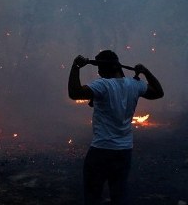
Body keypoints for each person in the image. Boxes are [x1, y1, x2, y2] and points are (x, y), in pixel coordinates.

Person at [68, 50, 164, 205]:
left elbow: (74, 93)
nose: (99, 72)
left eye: (100, 68)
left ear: (108, 68)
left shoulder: (103, 85)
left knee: (92, 197)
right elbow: (159, 92)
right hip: (124, 151)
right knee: (119, 196)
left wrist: (76, 66)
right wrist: (146, 72)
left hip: (101, 150)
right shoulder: (135, 84)